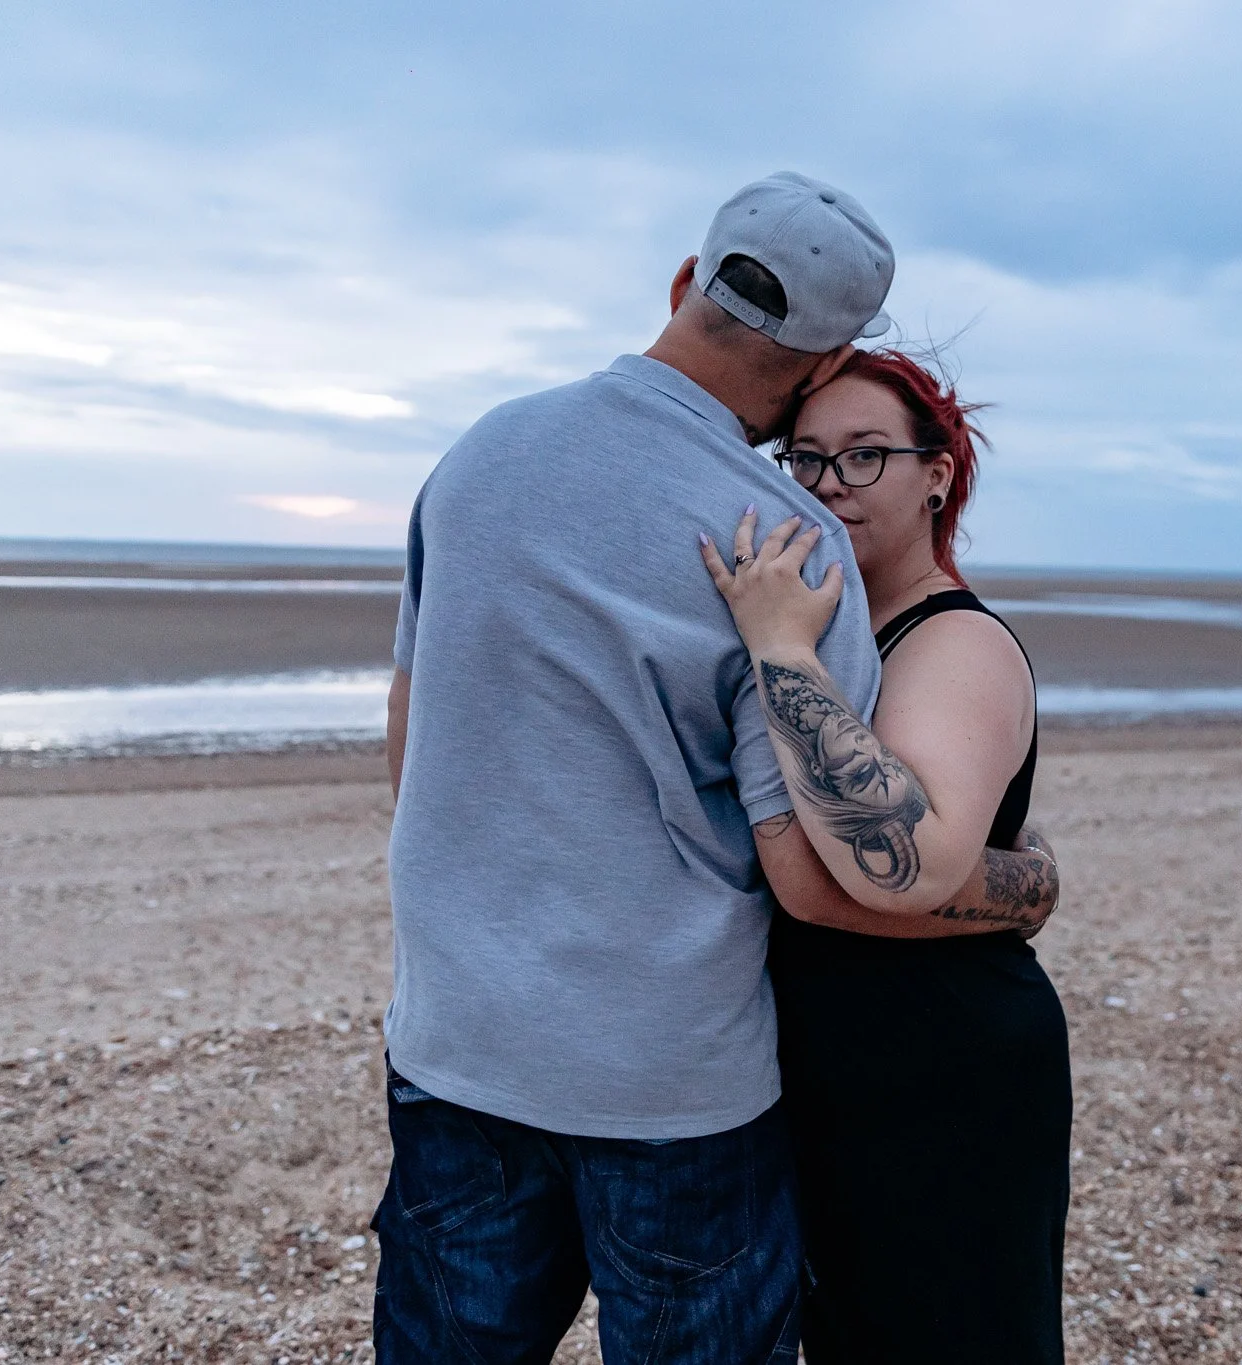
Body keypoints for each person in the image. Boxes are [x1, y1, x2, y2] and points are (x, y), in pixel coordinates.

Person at [373, 174, 1059, 1365]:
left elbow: (413, 734)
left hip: (456, 1041)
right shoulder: (780, 544)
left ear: (685, 282)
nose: (828, 480)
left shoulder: (479, 454)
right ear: (823, 358)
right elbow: (810, 873)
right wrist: (1025, 885)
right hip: (667, 1083)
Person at [698, 349, 1073, 1364]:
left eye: (865, 456)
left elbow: (894, 862)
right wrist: (1024, 884)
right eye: (806, 458)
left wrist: (780, 649)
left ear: (936, 476)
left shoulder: (953, 642)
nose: (829, 485)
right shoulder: (848, 627)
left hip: (940, 1066)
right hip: (837, 1065)